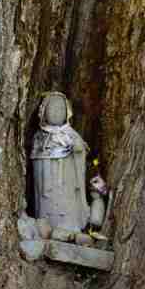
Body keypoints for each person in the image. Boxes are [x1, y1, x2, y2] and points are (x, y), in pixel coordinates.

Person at [30, 92, 90, 233]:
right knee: (47, 203)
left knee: (66, 202)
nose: (57, 113)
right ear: (44, 112)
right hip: (46, 182)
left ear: (67, 112)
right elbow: (35, 158)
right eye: (53, 109)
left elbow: (81, 152)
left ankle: (69, 227)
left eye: (61, 109)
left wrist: (78, 149)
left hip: (66, 180)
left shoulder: (70, 134)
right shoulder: (39, 137)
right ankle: (46, 227)